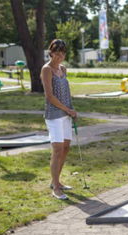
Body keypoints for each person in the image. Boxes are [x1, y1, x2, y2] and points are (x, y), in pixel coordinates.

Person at [41, 39, 77, 200]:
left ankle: (57, 181)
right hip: (54, 115)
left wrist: (71, 109)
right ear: (51, 53)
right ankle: (56, 188)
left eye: (62, 54)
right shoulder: (46, 70)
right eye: (56, 54)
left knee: (66, 148)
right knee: (57, 149)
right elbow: (49, 96)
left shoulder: (63, 68)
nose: (59, 57)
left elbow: (66, 91)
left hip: (66, 114)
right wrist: (66, 109)